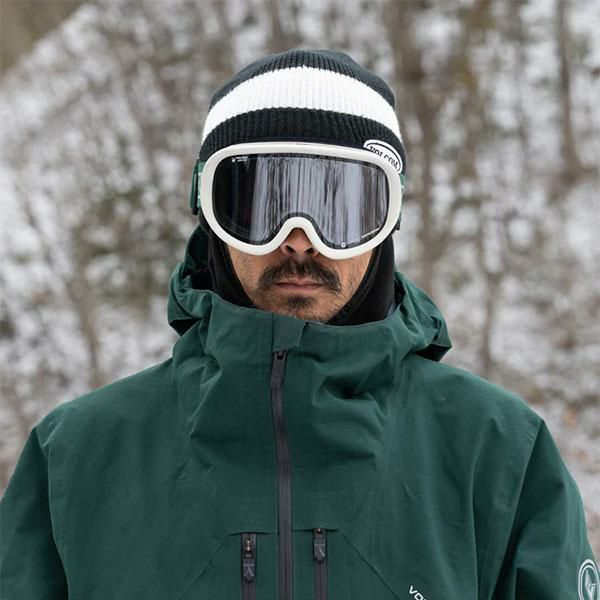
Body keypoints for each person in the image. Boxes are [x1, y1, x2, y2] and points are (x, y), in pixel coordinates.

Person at [0, 48, 597, 600]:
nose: (299, 239)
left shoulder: (496, 453)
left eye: (340, 204)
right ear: (208, 212)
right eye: (261, 201)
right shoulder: (76, 459)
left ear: (387, 220)